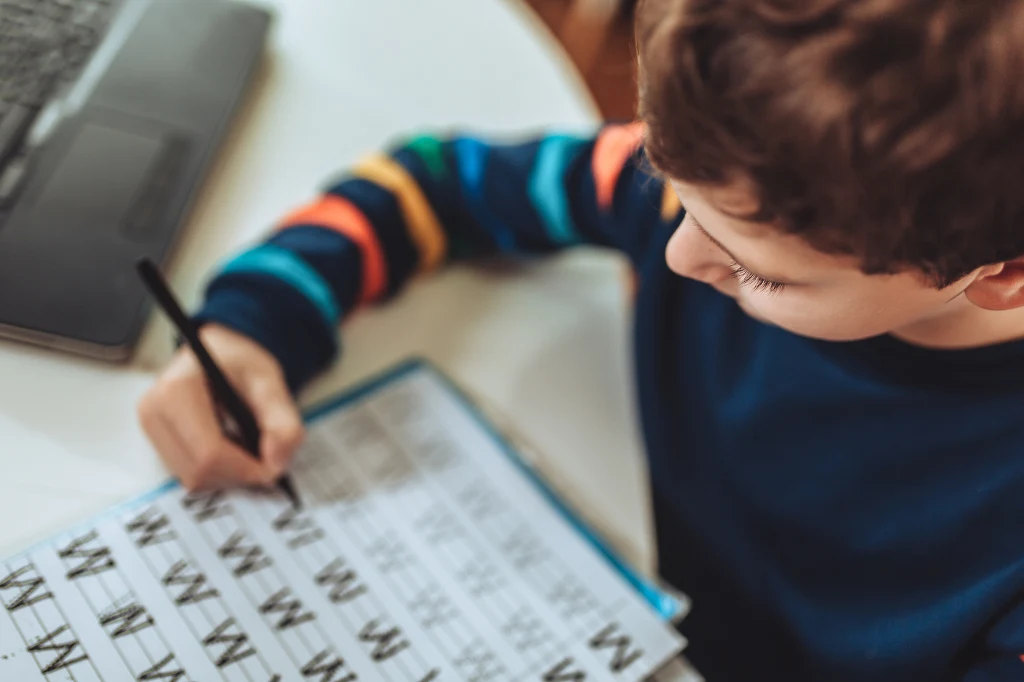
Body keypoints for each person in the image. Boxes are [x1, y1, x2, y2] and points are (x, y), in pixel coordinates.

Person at [137, 0, 1024, 678]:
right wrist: (254, 324)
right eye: (659, 175)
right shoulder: (738, 192)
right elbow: (443, 183)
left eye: (763, 273)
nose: (674, 251)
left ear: (1000, 274)